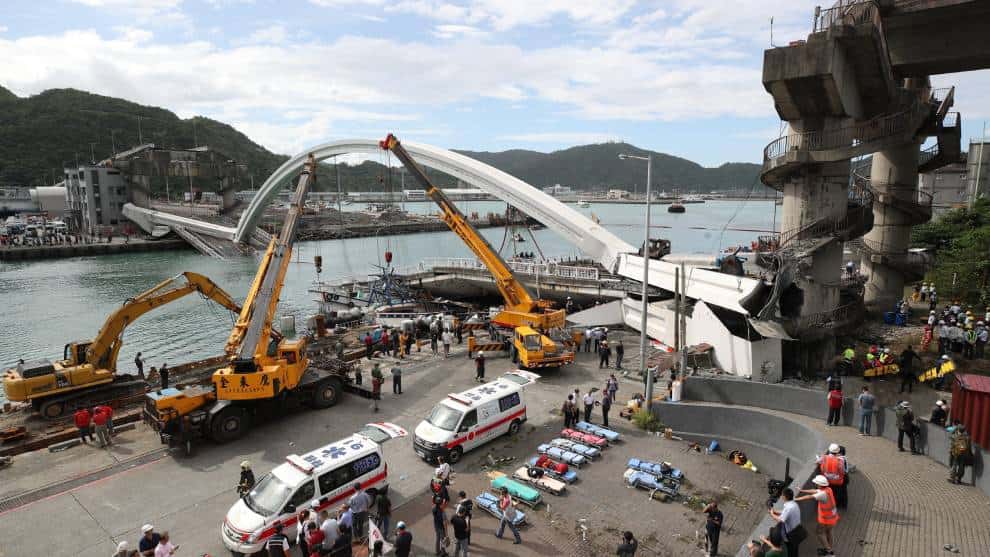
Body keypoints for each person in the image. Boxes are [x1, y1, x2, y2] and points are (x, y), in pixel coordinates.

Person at [795, 475, 838, 556]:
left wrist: (796, 499)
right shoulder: (828, 489)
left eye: (816, 483)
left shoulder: (822, 494)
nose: (815, 484)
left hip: (825, 520)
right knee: (829, 532)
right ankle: (831, 548)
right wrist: (802, 490)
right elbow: (815, 491)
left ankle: (829, 552)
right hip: (833, 518)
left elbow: (809, 497)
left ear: (819, 484)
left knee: (819, 533)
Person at [769, 488, 803, 557]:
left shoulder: (788, 508)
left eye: (782, 495)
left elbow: (780, 520)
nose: (781, 496)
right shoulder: (793, 504)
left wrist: (772, 514)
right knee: (795, 549)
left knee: (791, 551)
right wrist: (776, 511)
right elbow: (785, 512)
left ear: (784, 497)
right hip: (797, 531)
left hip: (791, 534)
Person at [818, 443, 848, 509]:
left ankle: (830, 504)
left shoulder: (824, 457)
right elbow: (842, 471)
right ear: (837, 452)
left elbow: (818, 461)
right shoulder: (840, 460)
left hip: (827, 480)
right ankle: (836, 505)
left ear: (829, 450)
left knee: (830, 493)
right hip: (837, 481)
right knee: (837, 494)